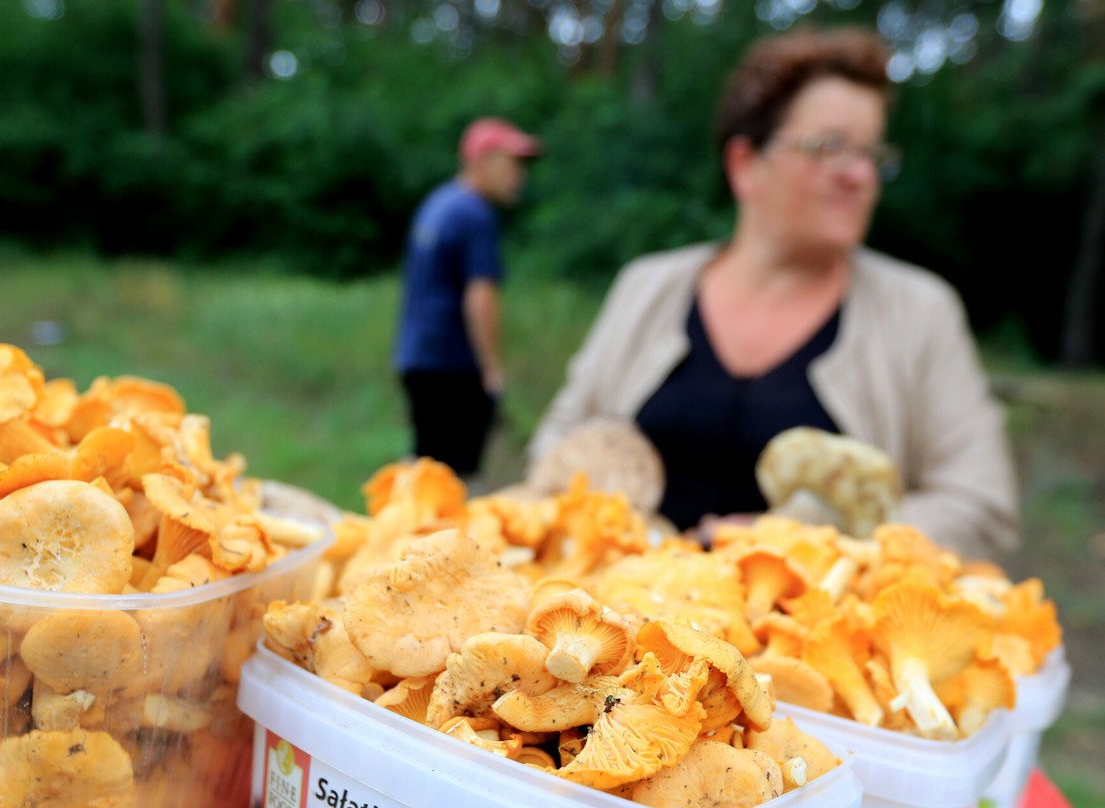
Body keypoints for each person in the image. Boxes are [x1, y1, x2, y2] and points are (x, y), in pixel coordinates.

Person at [529, 28, 1018, 560]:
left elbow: (981, 505)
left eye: (871, 153)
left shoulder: (921, 313)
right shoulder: (647, 286)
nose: (859, 175)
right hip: (621, 618)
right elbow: (556, 443)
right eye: (829, 147)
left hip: (819, 631)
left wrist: (812, 545)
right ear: (744, 165)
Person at [394, 117, 541, 478]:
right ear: (481, 160)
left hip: (418, 357)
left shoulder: (438, 203)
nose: (519, 175)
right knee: (451, 482)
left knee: (425, 467)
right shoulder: (476, 215)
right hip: (453, 366)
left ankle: (399, 527)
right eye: (512, 163)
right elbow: (480, 297)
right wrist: (491, 369)